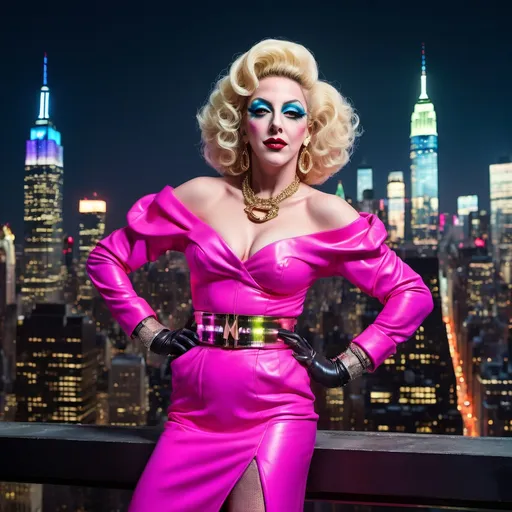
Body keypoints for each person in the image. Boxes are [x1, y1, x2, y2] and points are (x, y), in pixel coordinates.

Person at [86, 38, 433, 512]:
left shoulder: (325, 212)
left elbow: (412, 293)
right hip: (192, 412)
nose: (276, 124)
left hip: (277, 411)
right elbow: (106, 258)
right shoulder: (200, 197)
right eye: (261, 110)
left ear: (309, 131)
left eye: (292, 113)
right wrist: (150, 332)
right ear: (239, 124)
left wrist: (346, 365)